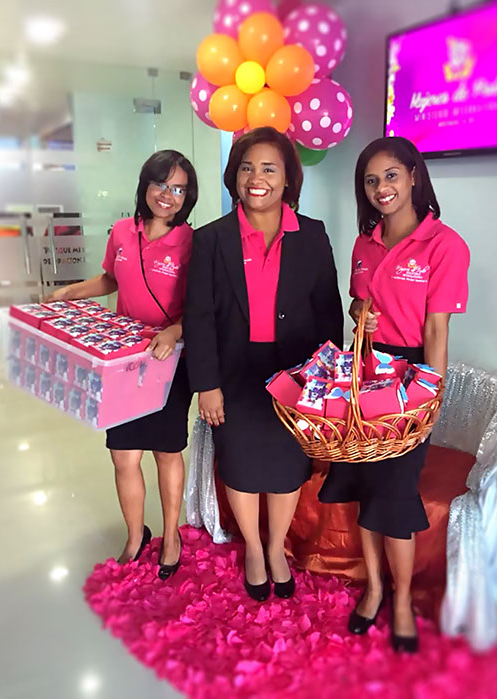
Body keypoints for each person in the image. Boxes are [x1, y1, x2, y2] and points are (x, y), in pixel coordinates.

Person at [319, 136, 470, 652]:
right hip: (363, 375)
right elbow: (357, 304)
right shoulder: (366, 243)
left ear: (413, 176)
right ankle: (375, 588)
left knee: (396, 492)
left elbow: (437, 331)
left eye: (390, 176)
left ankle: (402, 598)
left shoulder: (444, 245)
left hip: (411, 378)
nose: (381, 188)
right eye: (370, 180)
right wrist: (360, 314)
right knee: (365, 484)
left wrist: (431, 400)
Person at [183, 127, 343, 602]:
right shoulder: (211, 239)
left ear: (288, 178)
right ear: (234, 176)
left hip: (296, 374)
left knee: (288, 465)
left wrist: (322, 384)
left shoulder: (312, 235)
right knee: (241, 464)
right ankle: (254, 548)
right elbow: (198, 316)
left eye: (269, 168)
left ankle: (277, 548)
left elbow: (328, 313)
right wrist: (206, 384)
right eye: (247, 168)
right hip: (234, 372)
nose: (257, 178)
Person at [47, 150, 198, 580]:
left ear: (187, 197)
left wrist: (174, 331)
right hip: (123, 362)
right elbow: (111, 279)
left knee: (167, 452)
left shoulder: (193, 242)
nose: (167, 195)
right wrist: (70, 291)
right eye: (161, 184)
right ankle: (136, 536)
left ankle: (171, 537)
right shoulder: (121, 232)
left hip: (169, 362)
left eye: (178, 189)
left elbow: (203, 306)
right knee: (123, 456)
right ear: (145, 185)